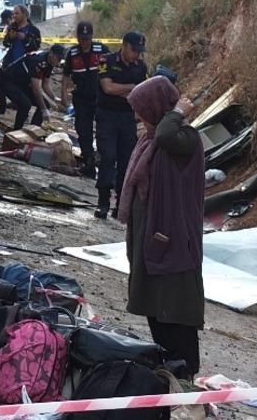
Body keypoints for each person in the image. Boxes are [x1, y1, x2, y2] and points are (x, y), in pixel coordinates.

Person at [120, 77, 204, 378]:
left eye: (141, 109)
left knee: (175, 307)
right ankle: (169, 366)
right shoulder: (150, 141)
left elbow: (168, 134)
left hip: (174, 239)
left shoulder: (183, 139)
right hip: (150, 237)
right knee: (154, 304)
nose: (136, 116)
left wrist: (178, 111)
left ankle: (185, 371)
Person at [95, 30, 149, 219]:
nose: (137, 55)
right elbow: (107, 87)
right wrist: (131, 88)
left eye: (140, 51)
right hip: (106, 116)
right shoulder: (106, 61)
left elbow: (142, 94)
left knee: (126, 162)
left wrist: (126, 91)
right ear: (124, 46)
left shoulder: (140, 67)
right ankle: (103, 201)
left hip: (127, 118)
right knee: (108, 157)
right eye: (134, 50)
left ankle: (120, 204)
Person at [61, 21, 110, 178]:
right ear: (77, 38)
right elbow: (66, 76)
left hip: (101, 98)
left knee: (104, 130)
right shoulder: (72, 54)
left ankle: (104, 162)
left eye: (87, 38)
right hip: (81, 99)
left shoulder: (101, 50)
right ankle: (88, 162)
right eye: (82, 39)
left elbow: (111, 69)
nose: (85, 42)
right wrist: (64, 96)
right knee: (83, 131)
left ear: (91, 37)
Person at [0, 43, 65, 130]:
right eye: (58, 59)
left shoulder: (50, 62)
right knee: (26, 104)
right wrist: (44, 110)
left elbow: (45, 84)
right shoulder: (39, 60)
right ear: (51, 53)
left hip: (23, 83)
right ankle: (16, 130)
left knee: (45, 104)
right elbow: (36, 89)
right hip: (9, 81)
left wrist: (54, 98)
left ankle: (33, 130)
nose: (59, 62)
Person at [0, 4, 42, 114]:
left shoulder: (33, 30)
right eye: (13, 14)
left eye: (17, 13)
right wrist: (10, 38)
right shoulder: (12, 27)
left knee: (22, 96)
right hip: (10, 65)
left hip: (24, 68)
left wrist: (25, 38)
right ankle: (1, 111)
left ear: (24, 14)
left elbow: (36, 46)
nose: (14, 16)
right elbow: (6, 43)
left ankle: (20, 111)